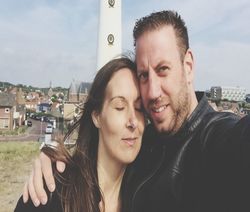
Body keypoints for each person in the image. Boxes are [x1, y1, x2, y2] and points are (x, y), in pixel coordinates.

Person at [23, 11, 250, 212]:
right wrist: (53, 158)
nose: (151, 92)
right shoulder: (141, 151)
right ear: (96, 115)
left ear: (188, 66)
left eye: (163, 69)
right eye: (143, 75)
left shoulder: (218, 139)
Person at [15, 57, 145, 212]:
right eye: (119, 107)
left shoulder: (147, 195)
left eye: (139, 107)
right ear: (97, 116)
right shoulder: (51, 194)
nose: (133, 121)